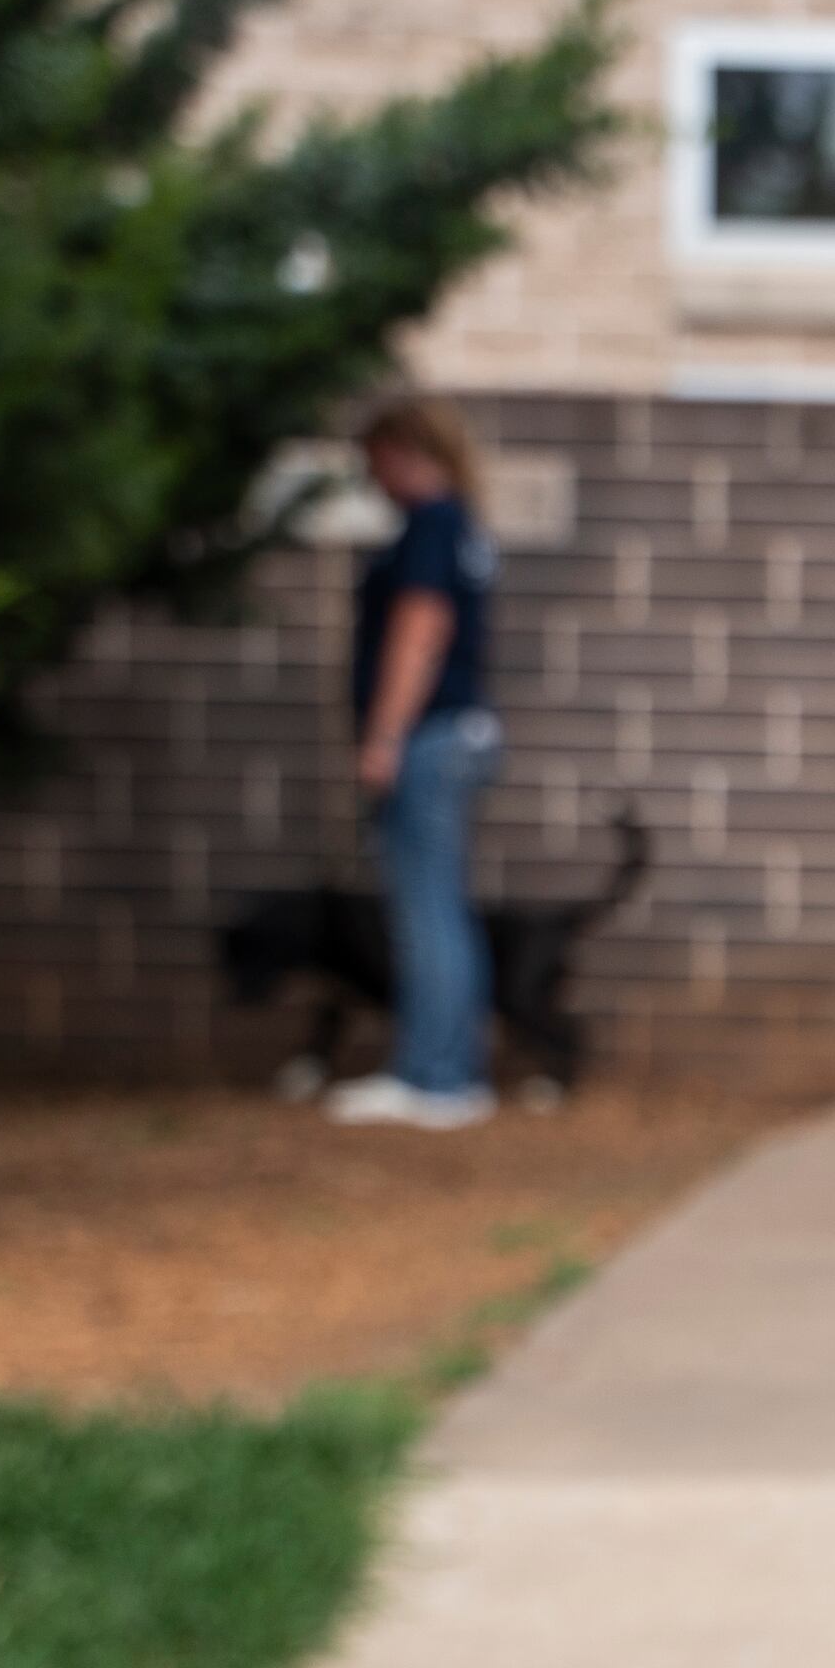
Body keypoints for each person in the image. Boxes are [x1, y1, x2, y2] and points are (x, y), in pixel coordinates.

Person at [327, 394, 502, 1131]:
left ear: (401, 449)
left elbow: (420, 627)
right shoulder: (460, 523)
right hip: (459, 733)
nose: (373, 479)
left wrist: (384, 736)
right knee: (442, 907)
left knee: (424, 908)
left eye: (375, 461)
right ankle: (449, 1071)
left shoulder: (431, 523)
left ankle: (433, 1080)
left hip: (429, 737)